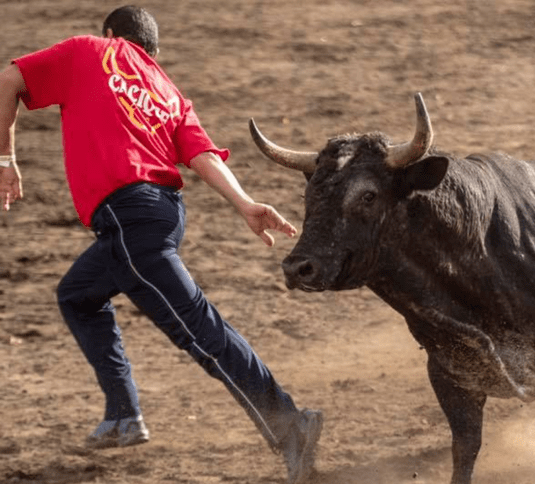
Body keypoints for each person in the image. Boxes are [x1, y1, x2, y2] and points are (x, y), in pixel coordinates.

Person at [0, 6, 321, 484]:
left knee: (200, 331)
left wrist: (5, 160)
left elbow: (8, 80)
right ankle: (124, 415)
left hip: (130, 220)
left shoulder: (88, 50)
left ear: (112, 33)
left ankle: (290, 425)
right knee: (78, 294)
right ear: (153, 50)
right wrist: (244, 203)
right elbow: (203, 155)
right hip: (160, 216)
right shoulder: (167, 90)